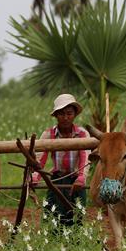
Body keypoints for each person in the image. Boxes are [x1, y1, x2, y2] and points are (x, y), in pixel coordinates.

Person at [31, 94, 90, 227]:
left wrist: (81, 178)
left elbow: (85, 157)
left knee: (77, 219)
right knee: (52, 218)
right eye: (61, 114)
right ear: (56, 115)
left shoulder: (82, 134)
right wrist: (35, 177)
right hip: (56, 180)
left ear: (74, 114)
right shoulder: (49, 134)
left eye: (69, 113)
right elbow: (40, 159)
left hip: (76, 181)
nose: (65, 117)